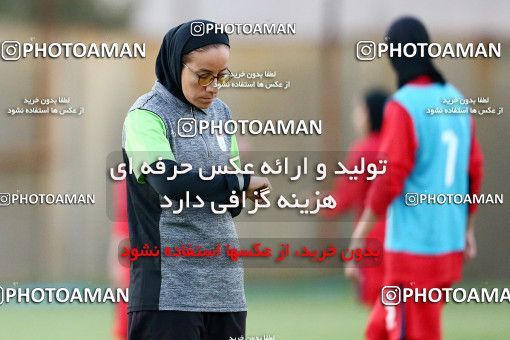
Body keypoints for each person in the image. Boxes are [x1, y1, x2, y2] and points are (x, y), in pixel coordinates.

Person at [121, 19, 271, 339]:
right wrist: (238, 184)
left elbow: (229, 206)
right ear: (176, 66)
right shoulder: (146, 116)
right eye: (203, 75)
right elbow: (169, 183)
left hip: (226, 291)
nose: (213, 87)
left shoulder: (222, 115)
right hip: (168, 294)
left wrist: (238, 192)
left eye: (221, 76)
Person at [345, 17, 483, 340]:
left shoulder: (404, 105)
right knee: (378, 330)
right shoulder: (457, 100)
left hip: (415, 251)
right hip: (447, 244)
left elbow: (390, 176)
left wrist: (359, 237)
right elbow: (474, 169)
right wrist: (468, 228)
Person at [322, 89, 388, 306]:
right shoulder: (397, 148)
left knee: (380, 312)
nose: (356, 116)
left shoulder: (364, 150)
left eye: (359, 109)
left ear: (370, 113)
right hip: (406, 236)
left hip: (373, 237)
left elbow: (344, 198)